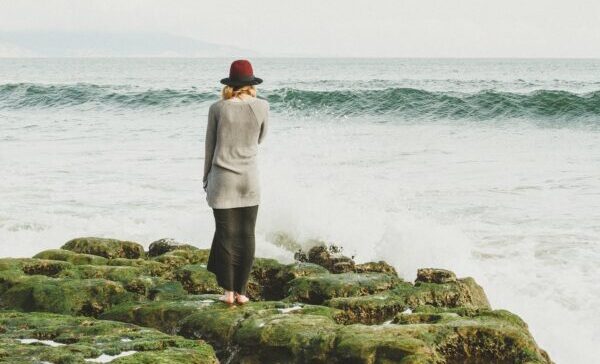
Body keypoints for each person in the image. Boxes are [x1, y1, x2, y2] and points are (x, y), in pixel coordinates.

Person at [203, 59, 269, 305]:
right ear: (251, 84)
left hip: (222, 178)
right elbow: (261, 138)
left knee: (225, 235)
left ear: (231, 84)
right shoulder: (263, 107)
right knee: (247, 234)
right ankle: (242, 293)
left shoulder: (217, 108)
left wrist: (205, 178)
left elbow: (209, 147)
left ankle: (228, 293)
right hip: (249, 178)